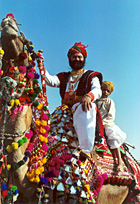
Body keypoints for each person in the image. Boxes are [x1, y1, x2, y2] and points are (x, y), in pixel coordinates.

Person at [44, 42, 103, 156]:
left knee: (87, 107)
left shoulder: (91, 75)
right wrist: (41, 64)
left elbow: (97, 90)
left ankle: (87, 149)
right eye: (74, 57)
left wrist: (88, 96)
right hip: (65, 111)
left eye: (79, 57)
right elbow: (50, 81)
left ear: (84, 59)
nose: (77, 59)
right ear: (70, 59)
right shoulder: (64, 76)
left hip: (81, 109)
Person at [96, 81, 127, 171]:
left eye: (107, 91)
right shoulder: (95, 101)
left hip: (106, 123)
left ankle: (120, 163)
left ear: (110, 93)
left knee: (112, 135)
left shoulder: (110, 101)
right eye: (103, 89)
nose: (105, 92)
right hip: (94, 123)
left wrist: (102, 123)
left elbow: (111, 115)